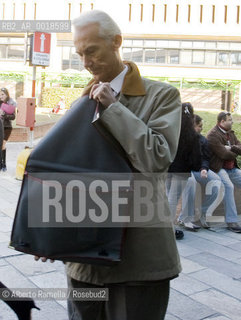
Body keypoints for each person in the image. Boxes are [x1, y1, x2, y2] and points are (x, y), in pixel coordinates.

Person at [35, 9, 182, 320]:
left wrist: (114, 108)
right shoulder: (81, 101)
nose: (86, 62)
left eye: (92, 51)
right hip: (84, 259)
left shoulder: (161, 95)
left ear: (116, 42)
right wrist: (49, 232)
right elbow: (66, 170)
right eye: (79, 54)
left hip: (138, 259)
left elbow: (157, 157)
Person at [179, 115, 222, 229]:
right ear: (192, 126)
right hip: (184, 169)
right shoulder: (180, 138)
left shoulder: (202, 140)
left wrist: (203, 168)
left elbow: (206, 158)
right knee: (190, 182)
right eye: (199, 126)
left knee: (216, 181)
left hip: (198, 169)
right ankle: (185, 219)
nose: (201, 129)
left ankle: (202, 213)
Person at [166, 103, 202, 239]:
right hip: (182, 171)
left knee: (167, 196)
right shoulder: (192, 135)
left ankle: (165, 227)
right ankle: (169, 229)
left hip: (169, 168)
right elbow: (196, 159)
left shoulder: (172, 130)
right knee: (173, 199)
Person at [207, 111, 241, 233]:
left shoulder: (230, 133)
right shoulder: (212, 135)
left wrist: (231, 147)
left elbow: (239, 147)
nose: (232, 121)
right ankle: (231, 220)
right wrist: (233, 149)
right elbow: (224, 154)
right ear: (222, 121)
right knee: (228, 186)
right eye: (230, 120)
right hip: (218, 167)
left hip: (232, 168)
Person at [0, 87, 16, 171]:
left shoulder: (11, 103)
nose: (1, 96)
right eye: (0, 94)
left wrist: (4, 115)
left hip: (7, 127)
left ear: (7, 95)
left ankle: (4, 165)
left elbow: (13, 117)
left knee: (2, 145)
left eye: (3, 94)